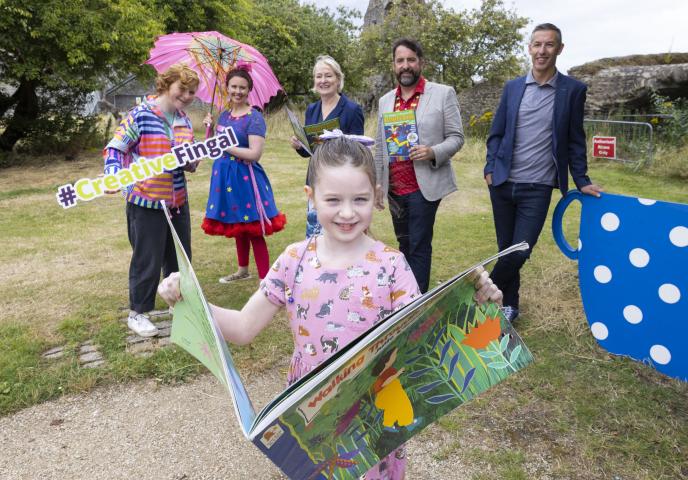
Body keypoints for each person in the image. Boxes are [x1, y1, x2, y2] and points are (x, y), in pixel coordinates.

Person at [158, 135, 502, 479]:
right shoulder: (294, 260)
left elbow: (424, 340)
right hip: (312, 414)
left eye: (360, 199)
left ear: (376, 196)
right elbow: (242, 328)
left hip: (375, 412)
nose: (347, 212)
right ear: (311, 197)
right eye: (333, 199)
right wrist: (190, 297)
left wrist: (479, 304)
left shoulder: (392, 266)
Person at [484, 23, 603, 323]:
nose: (542, 50)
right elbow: (496, 133)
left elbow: (575, 139)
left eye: (549, 44)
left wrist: (582, 180)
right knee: (506, 249)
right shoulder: (513, 88)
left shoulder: (573, 90)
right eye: (537, 44)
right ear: (529, 48)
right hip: (503, 183)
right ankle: (509, 305)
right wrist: (489, 168)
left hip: (537, 187)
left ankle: (480, 294)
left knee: (520, 250)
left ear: (559, 49)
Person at [103, 63, 199, 337]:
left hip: (177, 202)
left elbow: (191, 164)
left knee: (180, 258)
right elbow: (116, 148)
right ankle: (138, 313)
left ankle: (178, 305)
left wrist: (190, 159)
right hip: (145, 202)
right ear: (166, 84)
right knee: (147, 259)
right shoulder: (141, 115)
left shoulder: (184, 121)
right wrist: (113, 175)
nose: (187, 96)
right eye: (182, 89)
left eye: (192, 92)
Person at [374, 38, 464, 294]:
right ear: (394, 65)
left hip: (423, 187)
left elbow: (457, 137)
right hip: (395, 188)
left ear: (420, 62)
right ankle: (407, 296)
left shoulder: (443, 93)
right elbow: (380, 145)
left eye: (411, 60)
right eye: (400, 61)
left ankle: (417, 301)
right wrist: (378, 183)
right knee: (404, 245)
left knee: (419, 245)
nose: (405, 66)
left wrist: (432, 151)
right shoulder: (385, 101)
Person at [202, 67, 286, 283]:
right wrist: (209, 130)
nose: (237, 91)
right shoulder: (224, 115)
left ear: (249, 90)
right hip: (225, 178)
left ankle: (266, 280)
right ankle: (243, 270)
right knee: (238, 225)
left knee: (253, 228)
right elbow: (212, 149)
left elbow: (254, 154)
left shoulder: (254, 118)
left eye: (242, 87)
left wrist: (225, 146)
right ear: (227, 88)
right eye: (234, 87)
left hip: (246, 179)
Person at [290, 55, 364, 237]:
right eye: (319, 76)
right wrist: (299, 146)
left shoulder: (352, 110)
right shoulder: (312, 109)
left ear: (338, 79)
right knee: (315, 235)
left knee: (341, 234)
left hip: (342, 183)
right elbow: (310, 151)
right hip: (316, 180)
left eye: (328, 76)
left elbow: (360, 152)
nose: (323, 80)